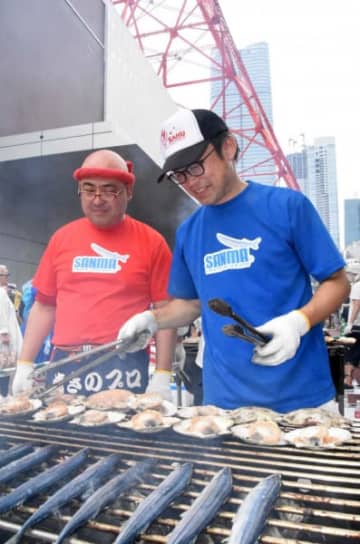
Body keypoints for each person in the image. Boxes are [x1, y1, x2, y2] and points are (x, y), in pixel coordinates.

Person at [117, 108, 350, 413]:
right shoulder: (190, 231)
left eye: (196, 166)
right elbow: (191, 303)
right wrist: (151, 319)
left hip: (302, 401)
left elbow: (337, 282)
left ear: (228, 146)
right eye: (179, 175)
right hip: (224, 405)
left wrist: (299, 322)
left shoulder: (287, 206)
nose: (190, 182)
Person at [12, 149, 176, 398]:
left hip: (123, 362)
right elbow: (44, 306)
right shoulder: (62, 239)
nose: (97, 199)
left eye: (109, 190)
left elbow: (165, 312)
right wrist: (25, 365)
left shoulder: (152, 242)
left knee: (120, 437)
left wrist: (163, 374)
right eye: (89, 190)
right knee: (62, 434)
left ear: (128, 192)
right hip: (65, 362)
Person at [0, 264, 23, 395]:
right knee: (5, 368)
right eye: (5, 275)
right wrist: (4, 333)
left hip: (5, 335)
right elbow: (1, 313)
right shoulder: (1, 293)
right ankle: (2, 396)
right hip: (4, 339)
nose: (7, 278)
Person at [343, 260, 360, 387]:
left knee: (349, 355)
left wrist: (350, 323)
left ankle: (348, 380)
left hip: (356, 327)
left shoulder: (357, 286)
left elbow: (356, 305)